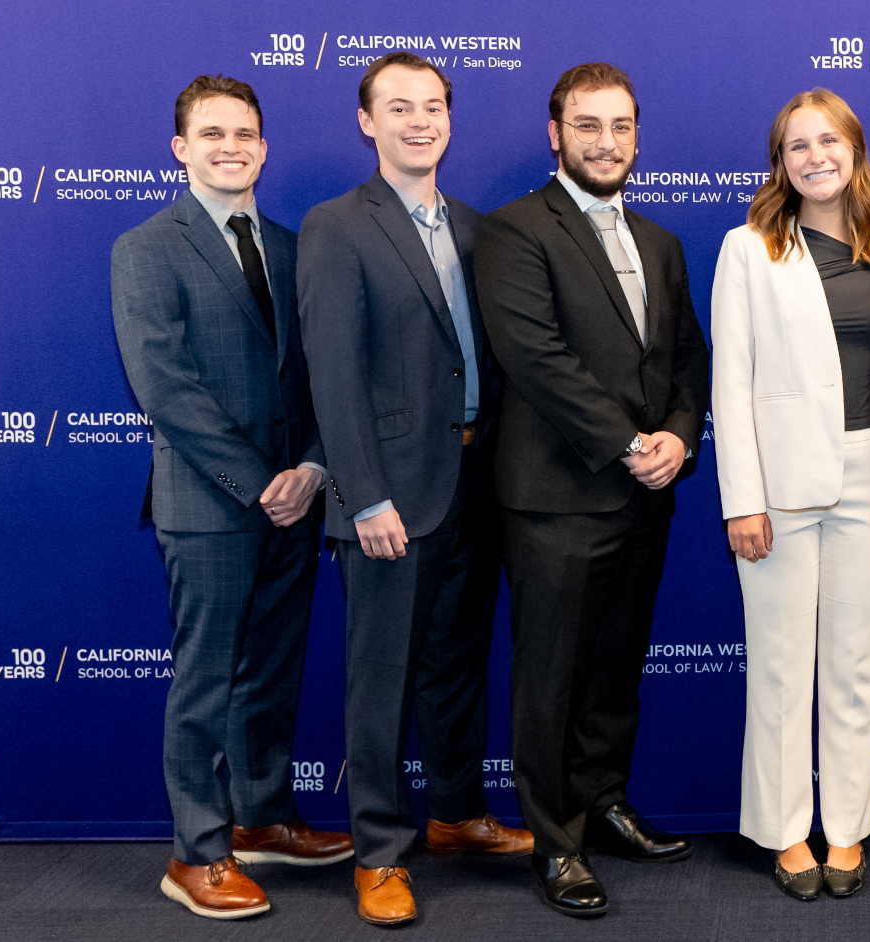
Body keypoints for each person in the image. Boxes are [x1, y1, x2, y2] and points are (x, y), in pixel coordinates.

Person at [298, 52, 531, 927]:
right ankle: (381, 853)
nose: (418, 121)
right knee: (382, 678)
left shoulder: (476, 227)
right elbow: (333, 372)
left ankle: (457, 815)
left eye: (432, 106)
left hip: (477, 480)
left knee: (458, 665)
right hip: (390, 492)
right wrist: (362, 496)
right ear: (367, 122)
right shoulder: (337, 225)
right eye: (398, 108)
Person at [474, 62, 712, 919]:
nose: (605, 142)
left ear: (638, 136)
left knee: (615, 670)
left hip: (647, 494)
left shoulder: (662, 243)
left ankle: (605, 803)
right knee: (551, 678)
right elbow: (537, 361)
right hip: (556, 499)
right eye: (587, 126)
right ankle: (556, 841)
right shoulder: (513, 230)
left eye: (619, 127)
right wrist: (625, 444)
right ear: (556, 134)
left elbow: (688, 358)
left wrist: (679, 440)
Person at [112, 74, 351, 920]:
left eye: (244, 134)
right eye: (211, 134)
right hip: (212, 507)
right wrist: (261, 486)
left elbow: (328, 376)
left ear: (263, 144)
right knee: (206, 681)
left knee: (272, 674)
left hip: (299, 500)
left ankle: (264, 818)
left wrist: (314, 471)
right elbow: (165, 389)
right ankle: (196, 854)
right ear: (182, 148)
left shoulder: (291, 248)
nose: (230, 148)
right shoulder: (146, 247)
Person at [711, 89, 870, 903]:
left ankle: (849, 829)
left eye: (831, 142)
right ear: (781, 163)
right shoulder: (747, 249)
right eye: (799, 146)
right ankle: (787, 832)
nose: (817, 157)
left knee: (859, 666)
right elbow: (732, 378)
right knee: (785, 668)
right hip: (780, 490)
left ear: (855, 151)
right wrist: (741, 500)